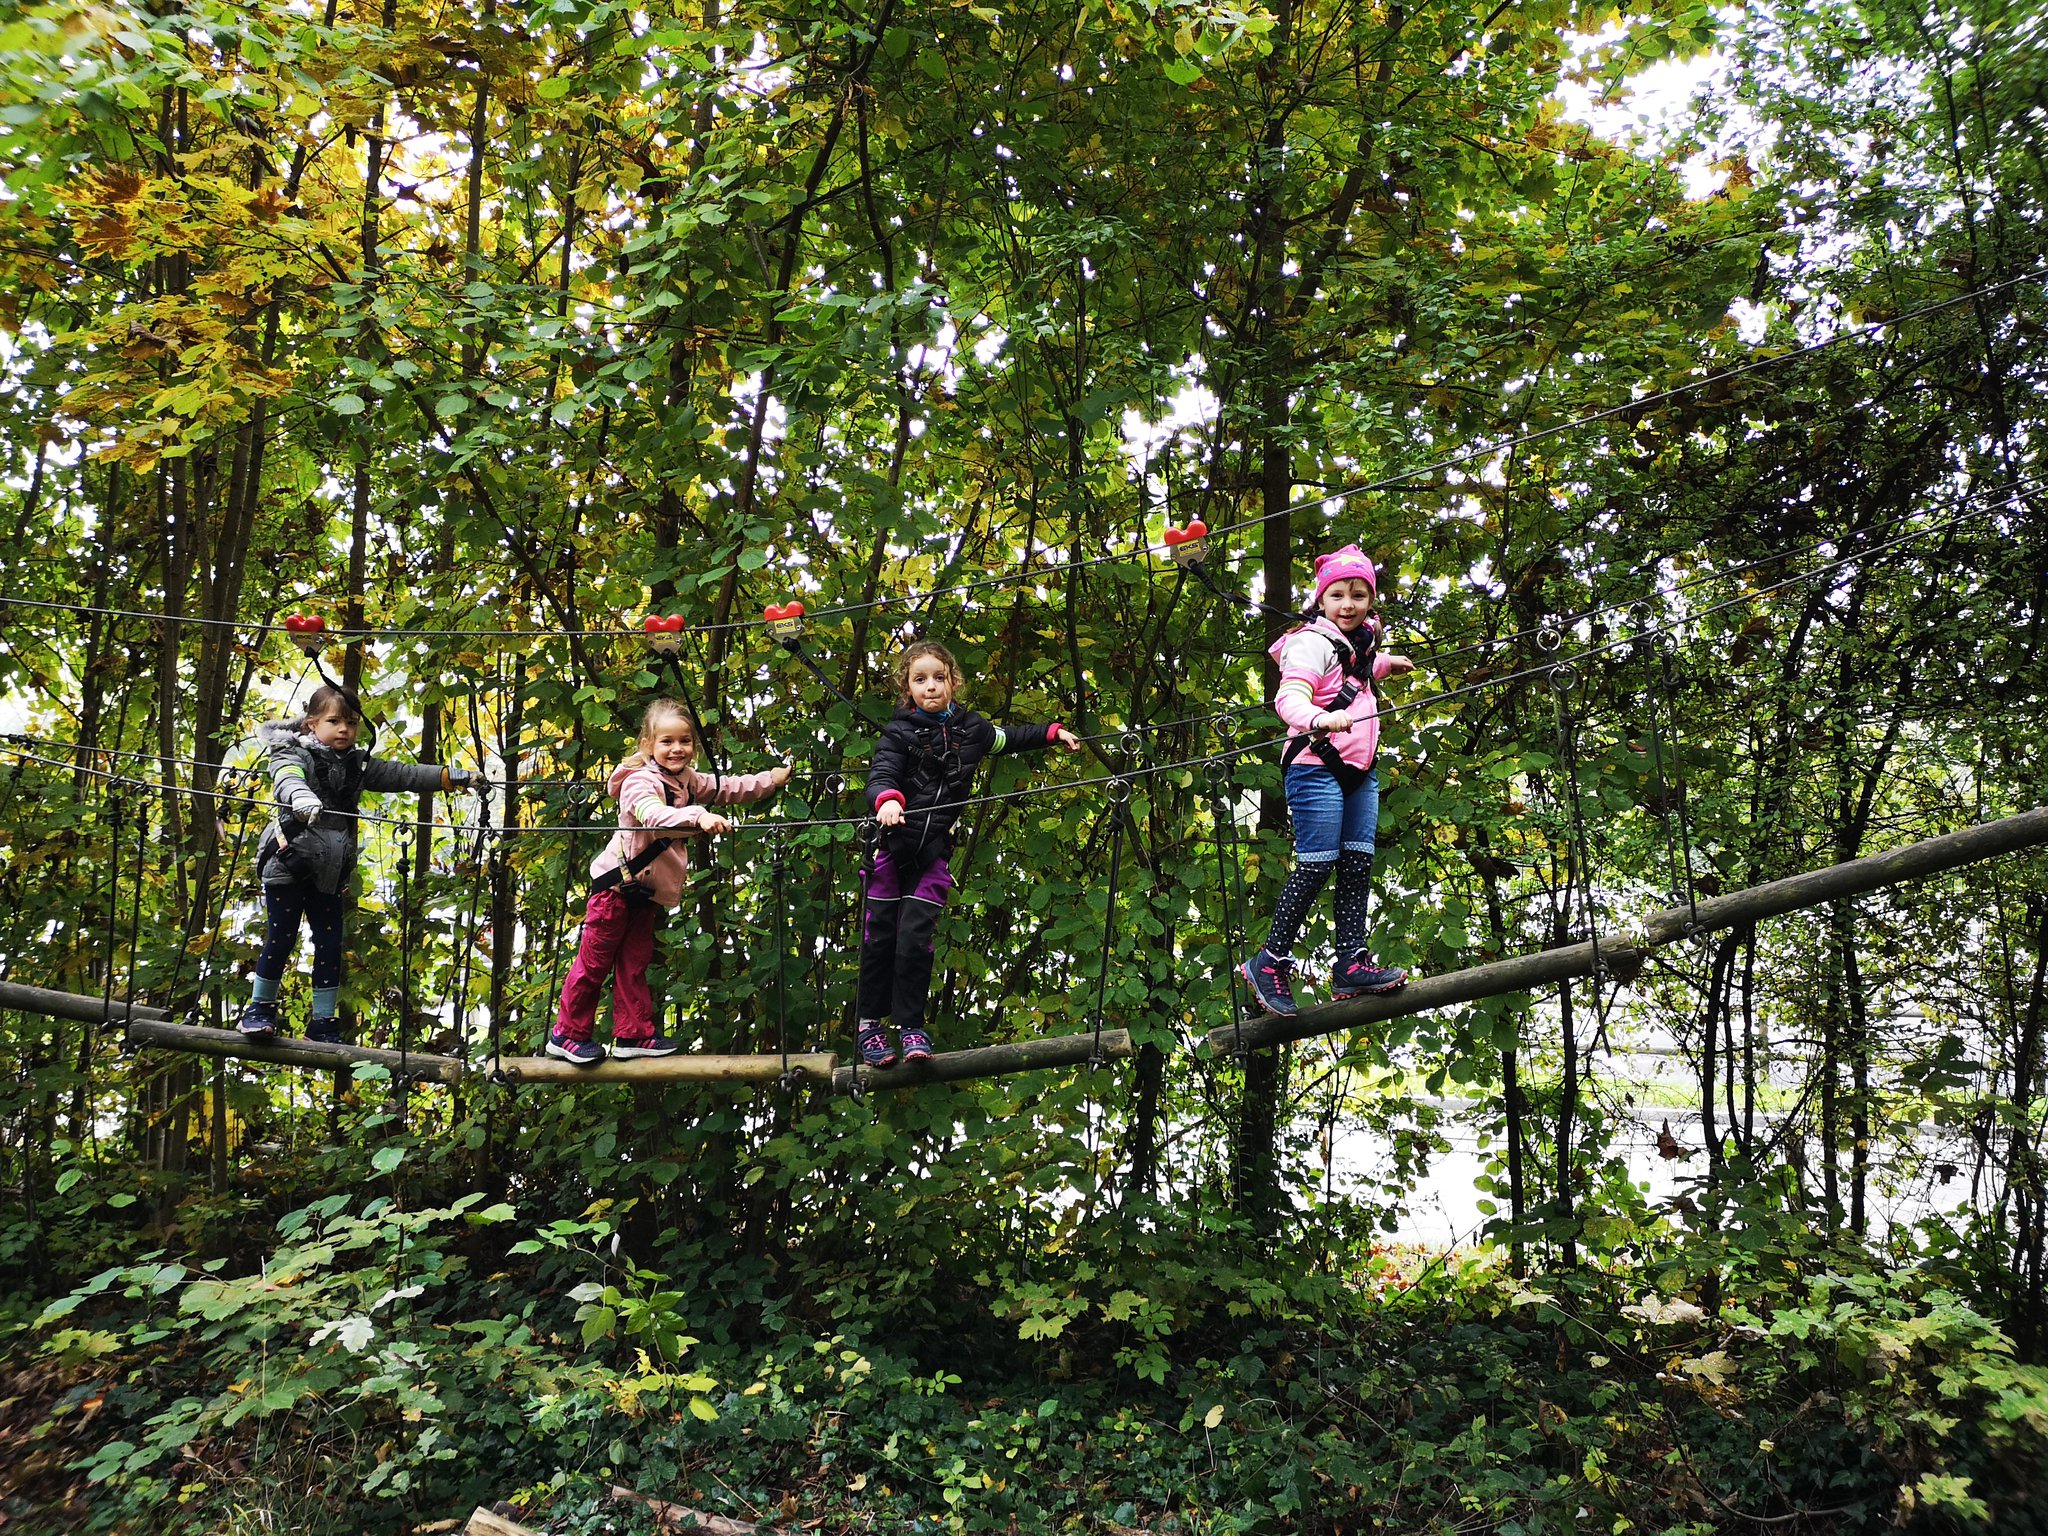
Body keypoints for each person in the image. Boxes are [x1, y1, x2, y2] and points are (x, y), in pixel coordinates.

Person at [856, 639, 1081, 1067]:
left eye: (939, 678)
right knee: (880, 939)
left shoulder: (971, 730)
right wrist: (887, 799)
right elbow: (882, 772)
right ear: (907, 687)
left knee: (914, 941)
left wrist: (1053, 733)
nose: (931, 687)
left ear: (953, 682)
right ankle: (870, 1025)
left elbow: (1009, 738)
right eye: (920, 679)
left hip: (934, 854)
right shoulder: (898, 733)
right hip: (891, 849)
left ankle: (909, 1026)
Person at [549, 698, 790, 1065]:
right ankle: (567, 1034)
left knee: (634, 963)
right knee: (594, 962)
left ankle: (632, 1035)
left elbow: (727, 787)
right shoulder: (639, 782)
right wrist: (698, 816)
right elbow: (654, 815)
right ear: (648, 744)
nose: (677, 748)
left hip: (643, 892)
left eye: (685, 741)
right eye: (666, 741)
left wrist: (769, 781)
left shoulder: (687, 780)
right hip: (614, 890)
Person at [239, 685, 478, 1042]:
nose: (343, 730)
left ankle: (322, 1023)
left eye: (351, 723)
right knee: (282, 937)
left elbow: (404, 775)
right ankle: (259, 1010)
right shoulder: (292, 753)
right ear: (310, 725)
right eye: (333, 721)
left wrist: (450, 777)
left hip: (329, 874)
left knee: (330, 945)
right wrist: (302, 799)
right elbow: (288, 780)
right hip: (288, 865)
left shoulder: (357, 765)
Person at [1240, 544, 1418, 1018]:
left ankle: (1351, 964)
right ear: (1321, 600)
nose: (1348, 604)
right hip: (1315, 765)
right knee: (1319, 864)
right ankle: (1269, 961)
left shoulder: (1361, 640)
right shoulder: (1308, 643)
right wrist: (1320, 718)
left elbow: (1355, 669)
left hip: (1361, 769)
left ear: (1369, 600)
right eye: (1337, 594)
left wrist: (1386, 663)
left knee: (1358, 865)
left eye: (1358, 594)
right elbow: (1291, 700)